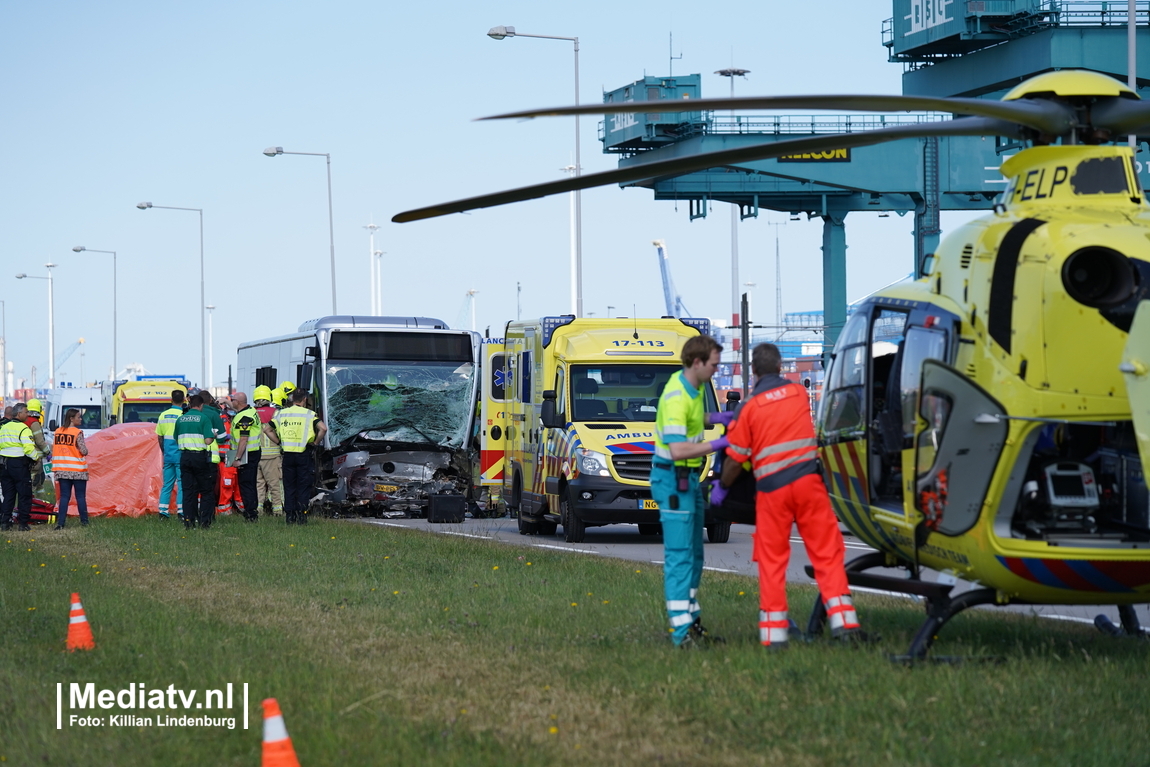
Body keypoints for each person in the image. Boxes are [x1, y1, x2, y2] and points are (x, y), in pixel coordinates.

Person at [717, 343, 868, 649]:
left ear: (754, 372)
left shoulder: (748, 407)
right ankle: (845, 625)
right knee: (827, 552)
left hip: (773, 491)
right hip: (808, 483)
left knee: (772, 560)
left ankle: (774, 637)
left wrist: (721, 488)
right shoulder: (799, 393)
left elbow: (736, 459)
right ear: (781, 367)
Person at [651, 335, 731, 648]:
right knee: (680, 557)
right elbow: (677, 449)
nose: (716, 370)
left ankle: (691, 622)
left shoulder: (693, 387)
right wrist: (720, 443)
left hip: (688, 481)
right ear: (697, 363)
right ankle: (680, 633)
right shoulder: (676, 397)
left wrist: (718, 418)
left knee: (695, 556)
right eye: (714, 364)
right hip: (673, 479)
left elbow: (694, 422)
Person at [265, 389, 327, 525]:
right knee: (303, 487)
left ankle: (289, 517)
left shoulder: (282, 413)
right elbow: (323, 428)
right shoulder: (309, 414)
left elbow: (267, 429)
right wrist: (315, 443)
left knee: (289, 486)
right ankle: (302, 516)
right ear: (304, 400)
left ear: (292, 399)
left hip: (287, 455)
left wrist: (279, 442)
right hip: (303, 454)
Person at [174, 393, 221, 529]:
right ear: (201, 406)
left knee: (188, 491)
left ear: (189, 405)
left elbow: (177, 439)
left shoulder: (181, 419)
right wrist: (213, 436)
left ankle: (189, 521)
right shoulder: (203, 418)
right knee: (206, 491)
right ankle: (204, 522)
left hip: (184, 457)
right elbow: (207, 440)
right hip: (199, 457)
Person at [0, 403, 45, 531]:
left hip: (5, 465)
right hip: (19, 465)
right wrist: (36, 458)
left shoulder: (4, 428)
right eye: (26, 412)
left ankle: (5, 522)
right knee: (24, 494)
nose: (28, 414)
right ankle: (23, 523)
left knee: (8, 494)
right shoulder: (24, 429)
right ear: (18, 414)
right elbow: (29, 448)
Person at [52, 408, 90, 529]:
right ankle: (84, 522)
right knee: (80, 497)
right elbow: (84, 451)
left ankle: (60, 523)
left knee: (64, 497)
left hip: (62, 469)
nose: (81, 419)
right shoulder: (77, 433)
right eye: (78, 417)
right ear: (71, 419)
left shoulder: (58, 432)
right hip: (77, 470)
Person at [229, 391, 262, 522]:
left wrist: (237, 458)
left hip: (246, 454)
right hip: (253, 452)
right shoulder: (250, 410)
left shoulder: (244, 418)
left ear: (238, 402)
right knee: (251, 484)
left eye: (232, 400)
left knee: (246, 485)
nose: (231, 402)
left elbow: (243, 439)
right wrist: (225, 403)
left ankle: (251, 514)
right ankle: (252, 511)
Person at [155, 390, 186, 520]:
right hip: (180, 453)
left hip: (168, 454)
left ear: (171, 400)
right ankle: (181, 511)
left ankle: (163, 511)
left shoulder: (163, 415)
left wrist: (164, 451)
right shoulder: (184, 415)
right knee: (182, 484)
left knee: (167, 484)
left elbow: (160, 436)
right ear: (184, 400)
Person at [253, 386, 283, 516]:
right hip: (271, 455)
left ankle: (259, 510)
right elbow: (280, 431)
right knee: (274, 485)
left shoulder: (251, 412)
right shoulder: (275, 412)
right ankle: (278, 511)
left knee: (259, 485)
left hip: (254, 454)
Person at [23, 398, 48, 488]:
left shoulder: (23, 421)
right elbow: (40, 441)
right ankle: (36, 498)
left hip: (25, 456)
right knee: (37, 480)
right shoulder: (34, 423)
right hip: (35, 457)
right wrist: (48, 452)